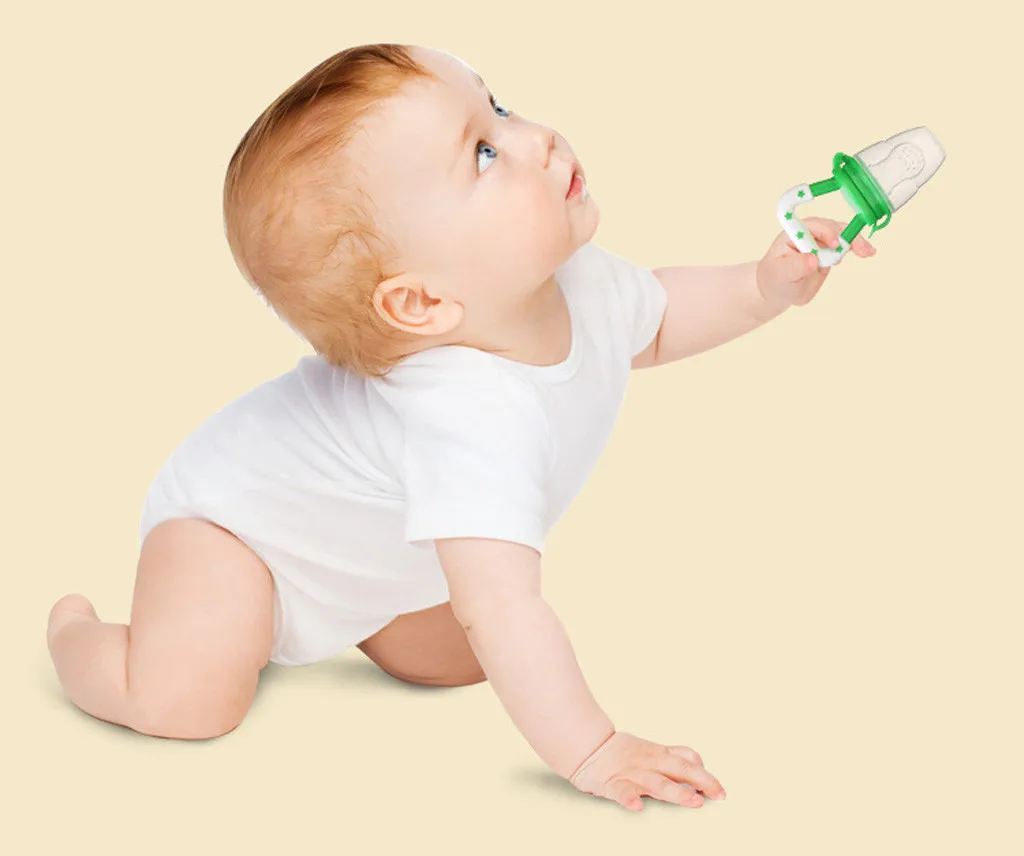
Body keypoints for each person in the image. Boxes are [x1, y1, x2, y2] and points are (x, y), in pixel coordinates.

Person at [45, 43, 876, 812]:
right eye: (483, 153)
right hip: (233, 536)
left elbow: (655, 323)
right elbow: (507, 608)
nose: (535, 139)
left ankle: (362, 616)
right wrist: (592, 749)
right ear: (420, 302)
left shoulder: (571, 284)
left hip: (365, 554)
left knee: (463, 661)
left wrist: (763, 287)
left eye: (500, 108)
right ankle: (83, 641)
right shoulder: (468, 411)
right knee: (191, 703)